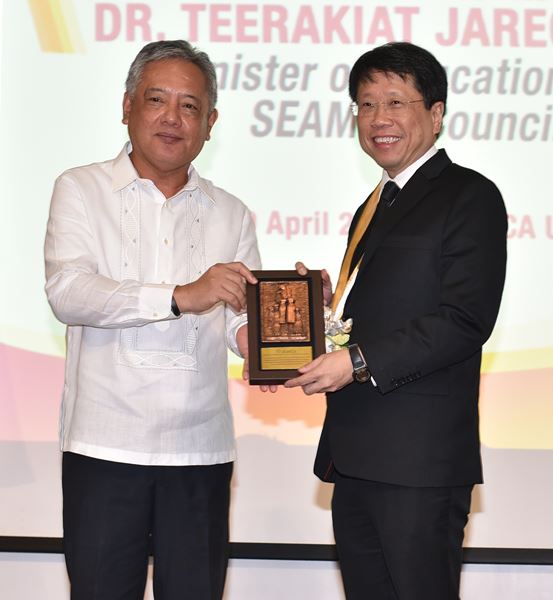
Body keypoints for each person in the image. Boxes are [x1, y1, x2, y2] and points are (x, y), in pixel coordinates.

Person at [285, 42, 507, 600]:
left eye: (395, 102)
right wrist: (323, 311)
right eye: (364, 104)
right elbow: (385, 310)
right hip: (357, 457)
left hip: (419, 465)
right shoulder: (374, 204)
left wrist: (356, 361)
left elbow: (464, 319)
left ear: (435, 114)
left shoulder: (469, 196)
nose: (378, 119)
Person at [44, 40, 260, 600]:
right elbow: (69, 292)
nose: (172, 117)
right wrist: (180, 294)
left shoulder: (232, 212)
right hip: (104, 447)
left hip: (201, 453)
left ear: (210, 123)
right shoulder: (80, 188)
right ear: (127, 106)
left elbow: (241, 327)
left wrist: (290, 324)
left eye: (190, 106)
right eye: (157, 99)